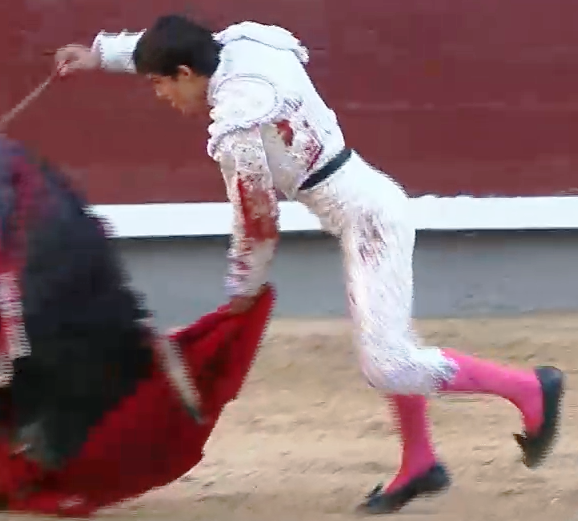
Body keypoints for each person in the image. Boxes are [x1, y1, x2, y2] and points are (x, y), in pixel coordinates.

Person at [53, 14, 565, 514]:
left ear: (185, 74)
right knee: (390, 341)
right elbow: (174, 45)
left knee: (388, 364)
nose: (161, 95)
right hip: (367, 206)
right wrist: (98, 54)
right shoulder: (244, 47)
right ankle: (419, 461)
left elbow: (257, 221)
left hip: (371, 223)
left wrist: (243, 288)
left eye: (160, 84)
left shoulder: (238, 123)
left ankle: (528, 389)